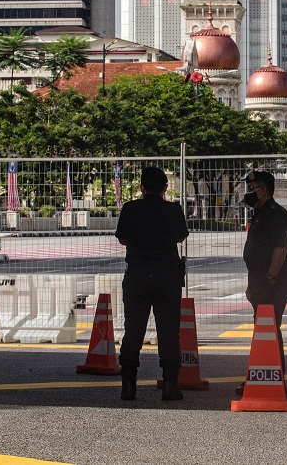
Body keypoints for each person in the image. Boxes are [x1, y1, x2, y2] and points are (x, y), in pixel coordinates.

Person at [114, 166, 189, 401]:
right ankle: (170, 384)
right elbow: (180, 236)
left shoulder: (130, 209)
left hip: (137, 275)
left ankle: (128, 384)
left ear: (141, 188)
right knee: (168, 331)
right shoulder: (173, 210)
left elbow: (123, 238)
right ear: (165, 188)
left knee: (133, 330)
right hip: (166, 276)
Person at [236, 169, 287, 397]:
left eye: (254, 187)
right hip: (261, 279)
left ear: (265, 189)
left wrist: (269, 277)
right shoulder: (259, 212)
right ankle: (264, 376)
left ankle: (272, 378)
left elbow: (280, 248)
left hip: (273, 280)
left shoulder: (276, 213)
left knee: (268, 329)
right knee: (264, 329)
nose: (250, 191)